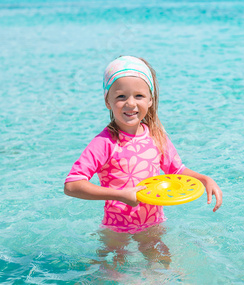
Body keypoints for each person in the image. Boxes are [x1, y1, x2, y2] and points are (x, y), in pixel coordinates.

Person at [64, 55, 222, 267]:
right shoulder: (105, 142)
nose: (130, 103)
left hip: (153, 225)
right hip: (116, 229)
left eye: (139, 95)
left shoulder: (156, 136)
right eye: (121, 96)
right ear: (107, 100)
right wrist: (120, 194)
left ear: (150, 100)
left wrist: (204, 179)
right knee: (111, 274)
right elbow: (72, 185)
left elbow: (177, 171)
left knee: (164, 269)